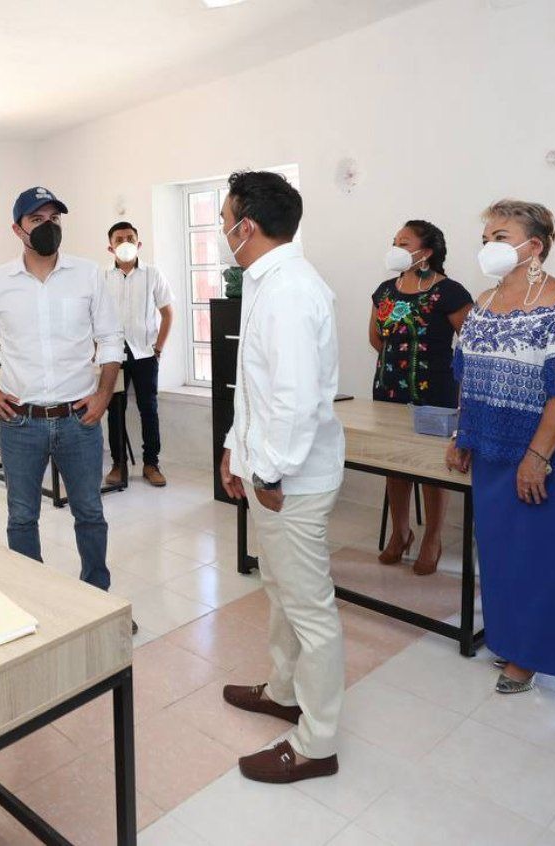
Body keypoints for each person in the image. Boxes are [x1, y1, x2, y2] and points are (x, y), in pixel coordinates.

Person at [0, 187, 135, 634]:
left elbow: (111, 338)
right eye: (37, 220)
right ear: (18, 230)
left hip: (78, 419)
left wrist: (104, 394)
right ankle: (30, 605)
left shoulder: (88, 275)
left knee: (89, 514)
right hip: (21, 422)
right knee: (22, 518)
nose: (48, 226)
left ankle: (96, 602)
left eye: (54, 218)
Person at [446, 199, 555, 695]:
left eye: (500, 237)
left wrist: (537, 457)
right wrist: (462, 433)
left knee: (546, 557)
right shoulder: (484, 302)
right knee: (502, 556)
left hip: (547, 456)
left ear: (533, 246)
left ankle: (536, 653)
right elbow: (468, 376)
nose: (488, 246)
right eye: (485, 238)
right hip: (491, 450)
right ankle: (513, 640)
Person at [217, 170, 346, 784]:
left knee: (310, 609)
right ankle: (283, 690)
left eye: (225, 220)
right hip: (270, 468)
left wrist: (266, 470)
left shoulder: (290, 290)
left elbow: (295, 400)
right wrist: (233, 449)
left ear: (247, 226)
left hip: (288, 478)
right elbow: (257, 387)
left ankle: (317, 744)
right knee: (281, 588)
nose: (222, 230)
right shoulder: (267, 280)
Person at [369, 220, 473, 574]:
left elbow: (471, 345)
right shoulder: (385, 290)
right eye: (394, 241)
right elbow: (376, 338)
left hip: (435, 393)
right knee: (394, 463)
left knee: (430, 468)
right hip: (388, 389)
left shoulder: (450, 292)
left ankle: (432, 537)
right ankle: (400, 532)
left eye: (404, 242)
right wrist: (400, 359)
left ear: (425, 252)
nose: (395, 247)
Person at [103, 221, 173, 488]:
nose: (125, 243)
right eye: (119, 239)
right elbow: (92, 316)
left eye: (130, 238)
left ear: (138, 243)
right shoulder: (102, 277)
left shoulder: (152, 274)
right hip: (113, 356)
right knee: (114, 411)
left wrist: (158, 349)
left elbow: (167, 313)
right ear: (110, 247)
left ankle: (151, 464)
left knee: (149, 410)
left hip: (144, 353)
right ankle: (118, 464)